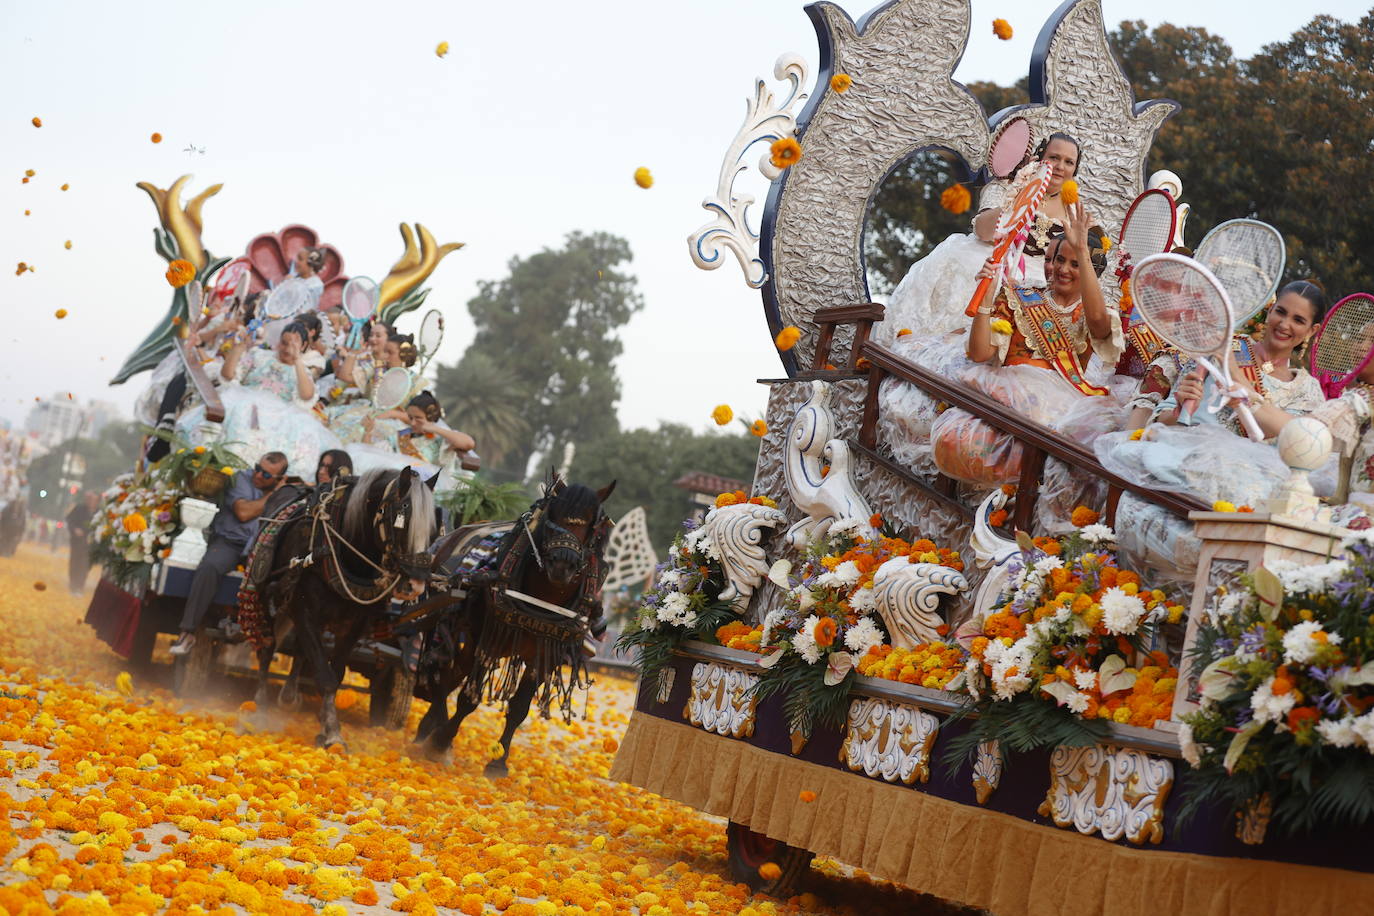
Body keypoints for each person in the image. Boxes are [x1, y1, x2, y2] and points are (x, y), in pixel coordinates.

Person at [929, 204, 1122, 491]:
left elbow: (1097, 323)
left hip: (1056, 409)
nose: (1063, 270)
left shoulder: (1093, 313)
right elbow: (980, 354)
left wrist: (1082, 248)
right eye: (1058, 260)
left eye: (1075, 264)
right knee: (953, 440)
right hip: (1004, 401)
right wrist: (986, 294)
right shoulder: (1019, 298)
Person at [881, 132, 1086, 344]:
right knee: (970, 266)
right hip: (987, 254)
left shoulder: (1074, 209)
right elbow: (984, 232)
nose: (1060, 166)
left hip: (1036, 273)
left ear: (1075, 170)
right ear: (1040, 156)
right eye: (1054, 157)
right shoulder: (1006, 186)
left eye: (1069, 162)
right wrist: (1019, 196)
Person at [1123, 281, 1328, 436]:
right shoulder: (1222, 347)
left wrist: (1234, 372)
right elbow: (1162, 420)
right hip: (1177, 458)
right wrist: (1179, 407)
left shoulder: (1306, 391)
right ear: (1270, 312)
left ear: (1312, 330)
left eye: (1298, 320)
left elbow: (1290, 443)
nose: (1284, 324)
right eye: (1280, 312)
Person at [170, 453, 288, 655]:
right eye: (257, 468)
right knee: (210, 567)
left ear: (278, 479)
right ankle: (187, 632)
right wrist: (275, 494)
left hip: (263, 548)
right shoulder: (241, 478)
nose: (258, 475)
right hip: (231, 542)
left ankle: (270, 642)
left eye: (266, 475)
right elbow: (243, 512)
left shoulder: (288, 491)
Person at [221, 320, 316, 407]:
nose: (287, 349)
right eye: (284, 343)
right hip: (244, 405)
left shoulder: (302, 372)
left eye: (293, 345)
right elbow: (227, 375)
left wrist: (297, 359)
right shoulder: (259, 355)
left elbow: (306, 396)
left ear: (303, 346)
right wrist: (242, 345)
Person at [392, 392, 476, 473]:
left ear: (431, 417)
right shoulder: (403, 434)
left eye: (418, 418)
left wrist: (434, 429)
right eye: (410, 418)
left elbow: (469, 443)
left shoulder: (442, 437)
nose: (413, 423)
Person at [66, 490, 99, 593]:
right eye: (89, 499)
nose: (90, 502)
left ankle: (80, 585)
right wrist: (75, 529)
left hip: (90, 544)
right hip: (77, 542)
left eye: (93, 500)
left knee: (85, 565)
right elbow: (69, 520)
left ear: (96, 501)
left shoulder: (99, 513)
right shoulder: (79, 508)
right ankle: (73, 583)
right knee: (75, 562)